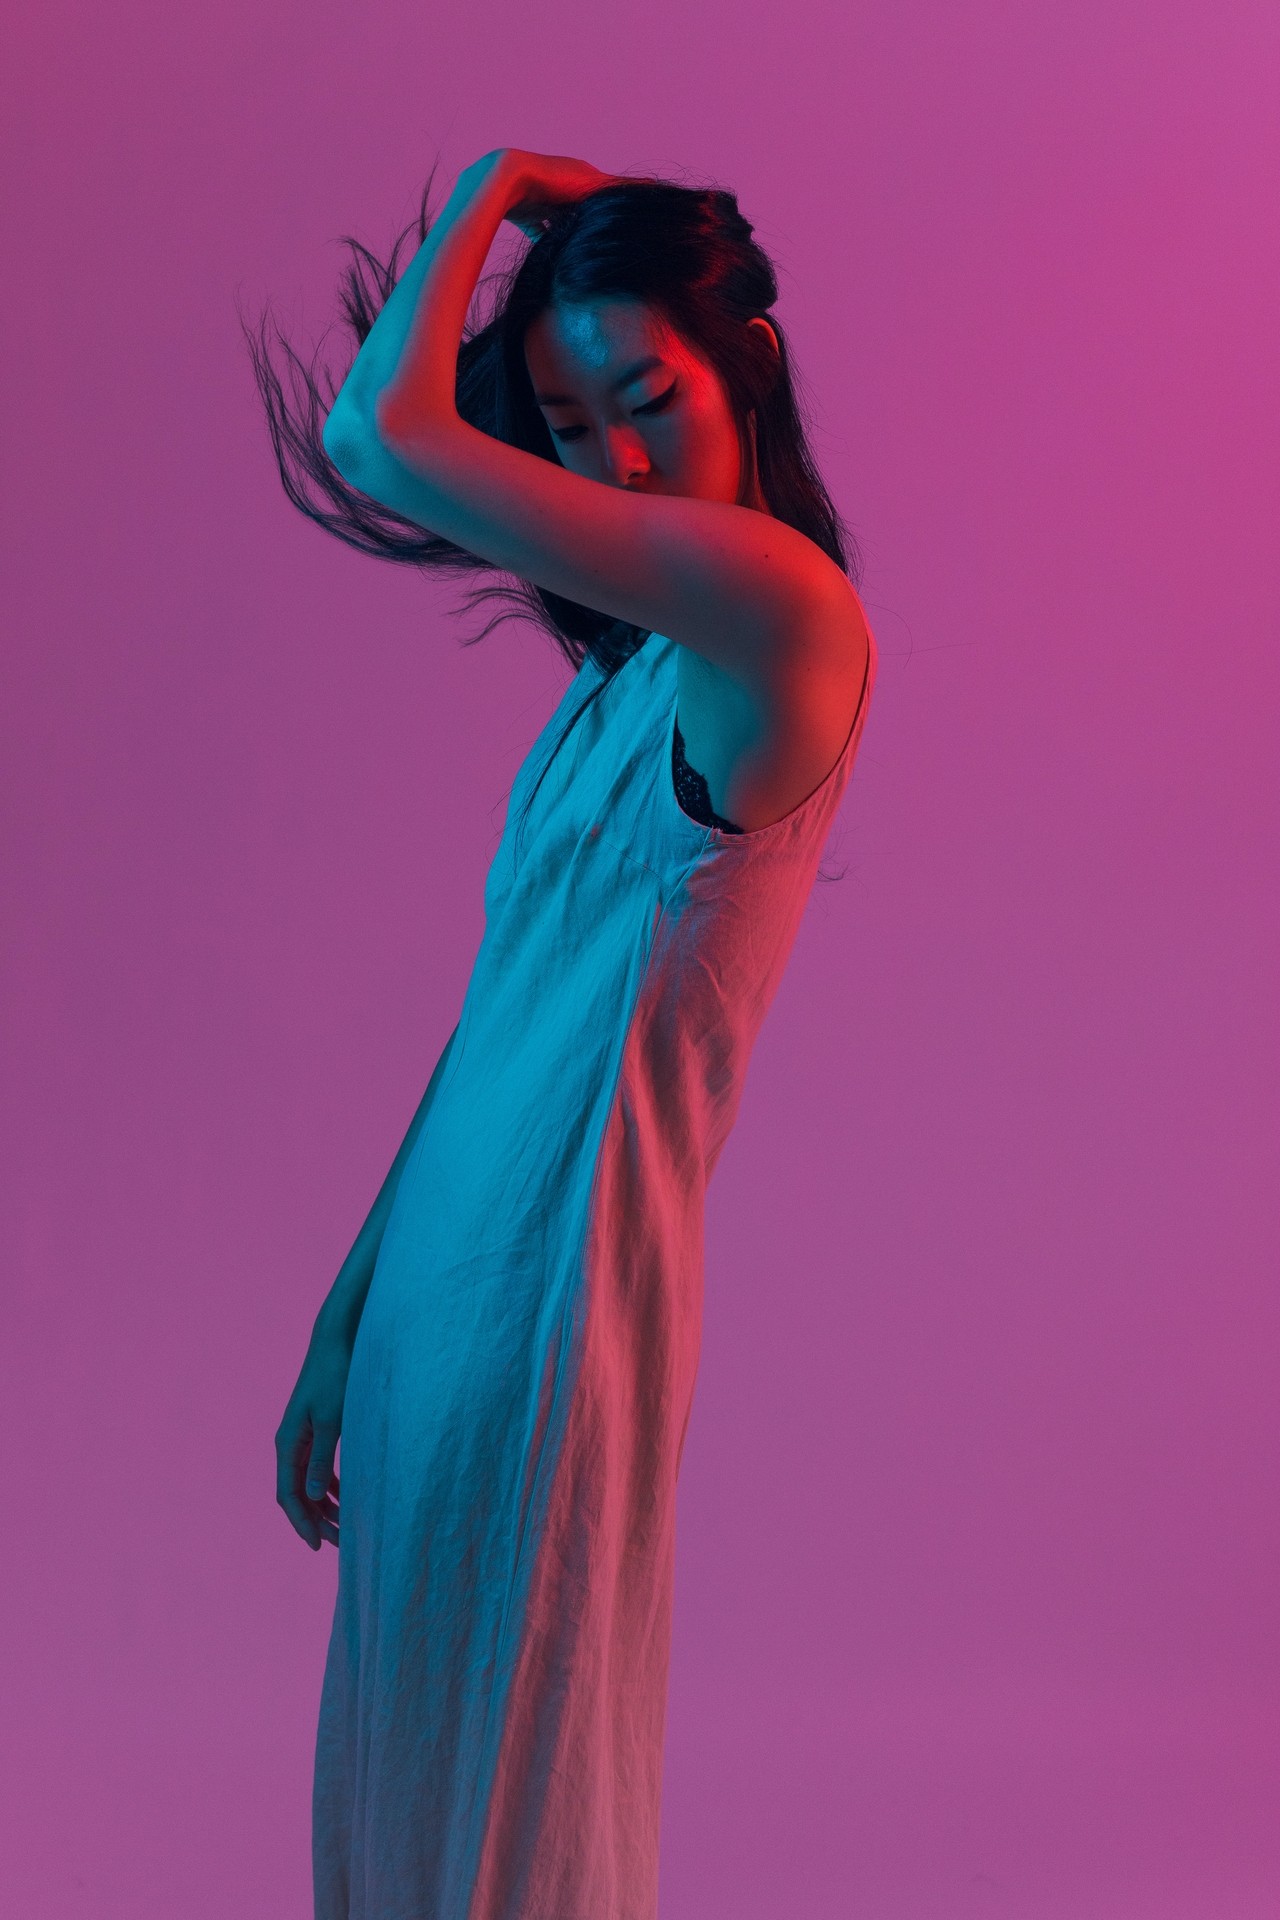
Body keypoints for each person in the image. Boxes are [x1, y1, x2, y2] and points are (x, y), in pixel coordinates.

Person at [244, 147, 877, 1920]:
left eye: (648, 401)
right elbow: (502, 1017)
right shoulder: (627, 680)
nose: (616, 458)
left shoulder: (787, 619)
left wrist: (497, 182)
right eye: (571, 423)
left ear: (748, 363)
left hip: (559, 1302)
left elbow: (377, 440)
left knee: (518, 1802)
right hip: (438, 1300)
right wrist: (347, 1308)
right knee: (409, 1781)